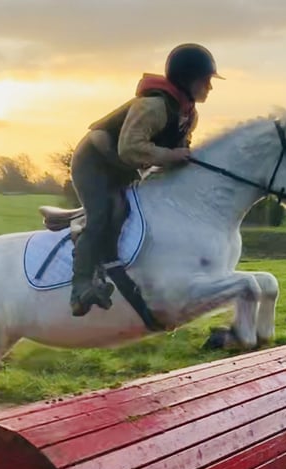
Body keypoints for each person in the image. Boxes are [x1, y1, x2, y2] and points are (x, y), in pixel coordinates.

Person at [68, 43, 223, 317]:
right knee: (104, 213)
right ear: (188, 80)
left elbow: (177, 157)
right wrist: (172, 155)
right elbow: (129, 148)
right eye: (206, 80)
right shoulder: (152, 106)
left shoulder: (188, 115)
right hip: (94, 162)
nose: (210, 87)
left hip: (122, 167)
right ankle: (80, 287)